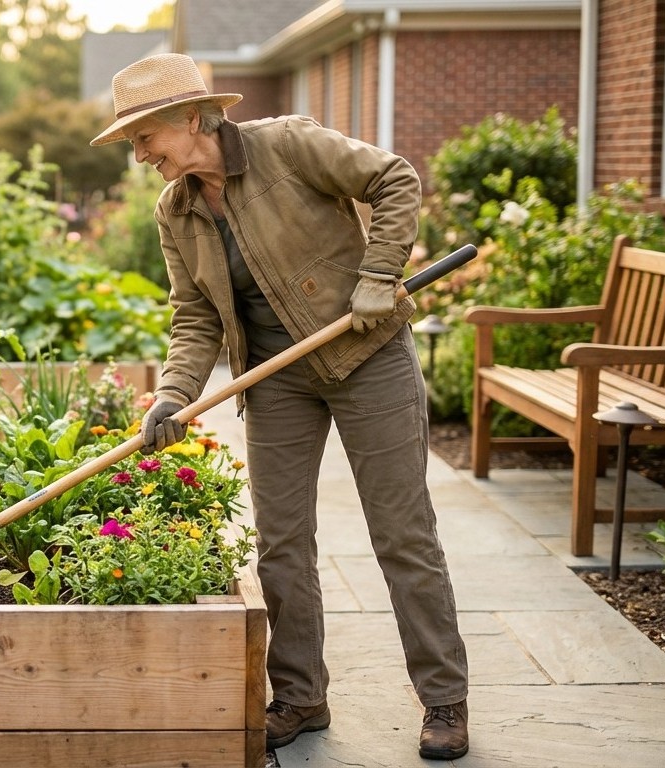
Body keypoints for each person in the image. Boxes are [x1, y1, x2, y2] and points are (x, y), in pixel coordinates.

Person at [91, 53, 470, 760]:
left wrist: (377, 273)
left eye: (144, 136)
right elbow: (194, 315)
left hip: (366, 357)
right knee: (281, 543)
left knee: (401, 533)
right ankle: (299, 695)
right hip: (275, 376)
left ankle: (443, 698)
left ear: (190, 117)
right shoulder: (174, 210)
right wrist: (174, 395)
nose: (138, 154)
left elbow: (394, 178)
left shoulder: (287, 145)